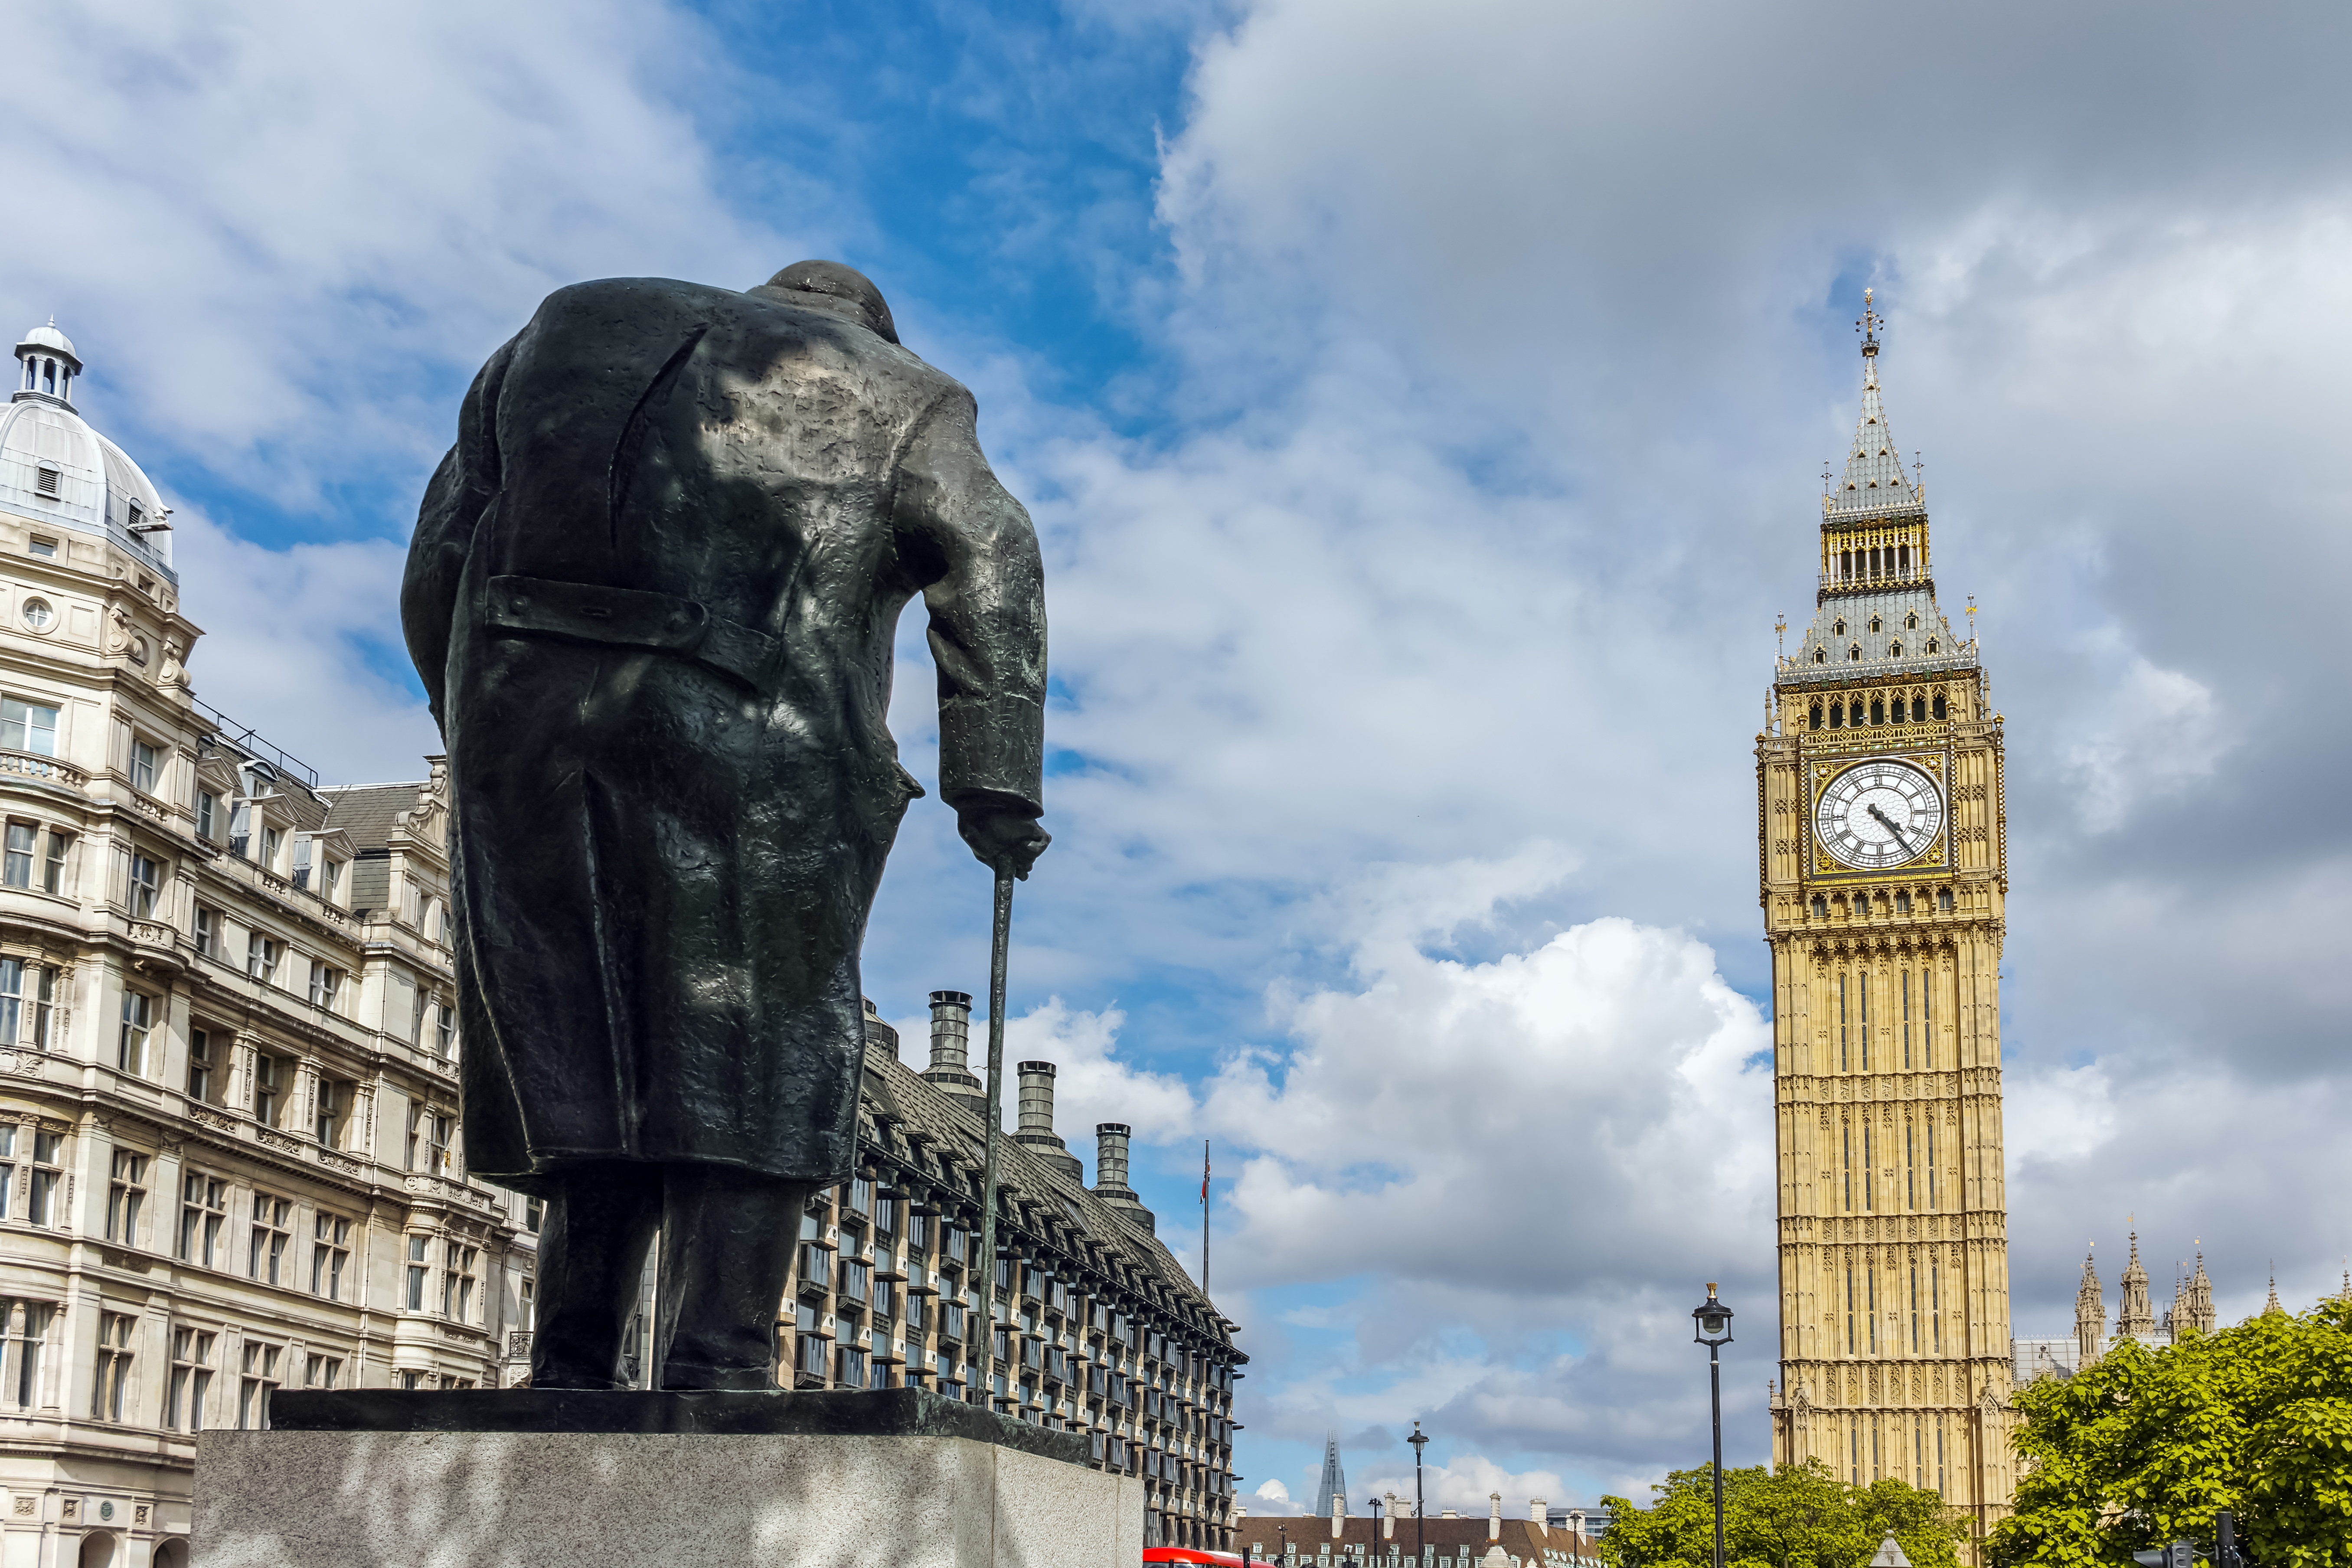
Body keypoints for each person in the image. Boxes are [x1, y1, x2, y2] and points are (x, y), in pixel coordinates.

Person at [401, 260, 1049, 1391]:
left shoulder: (560, 326)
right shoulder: (906, 392)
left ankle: (570, 1362)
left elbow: (439, 555)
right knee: (766, 1039)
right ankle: (719, 1363)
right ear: (867, 326)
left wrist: (482, 719)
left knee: (582, 1043)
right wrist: (993, 785)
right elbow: (992, 553)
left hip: (523, 718)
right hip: (764, 741)